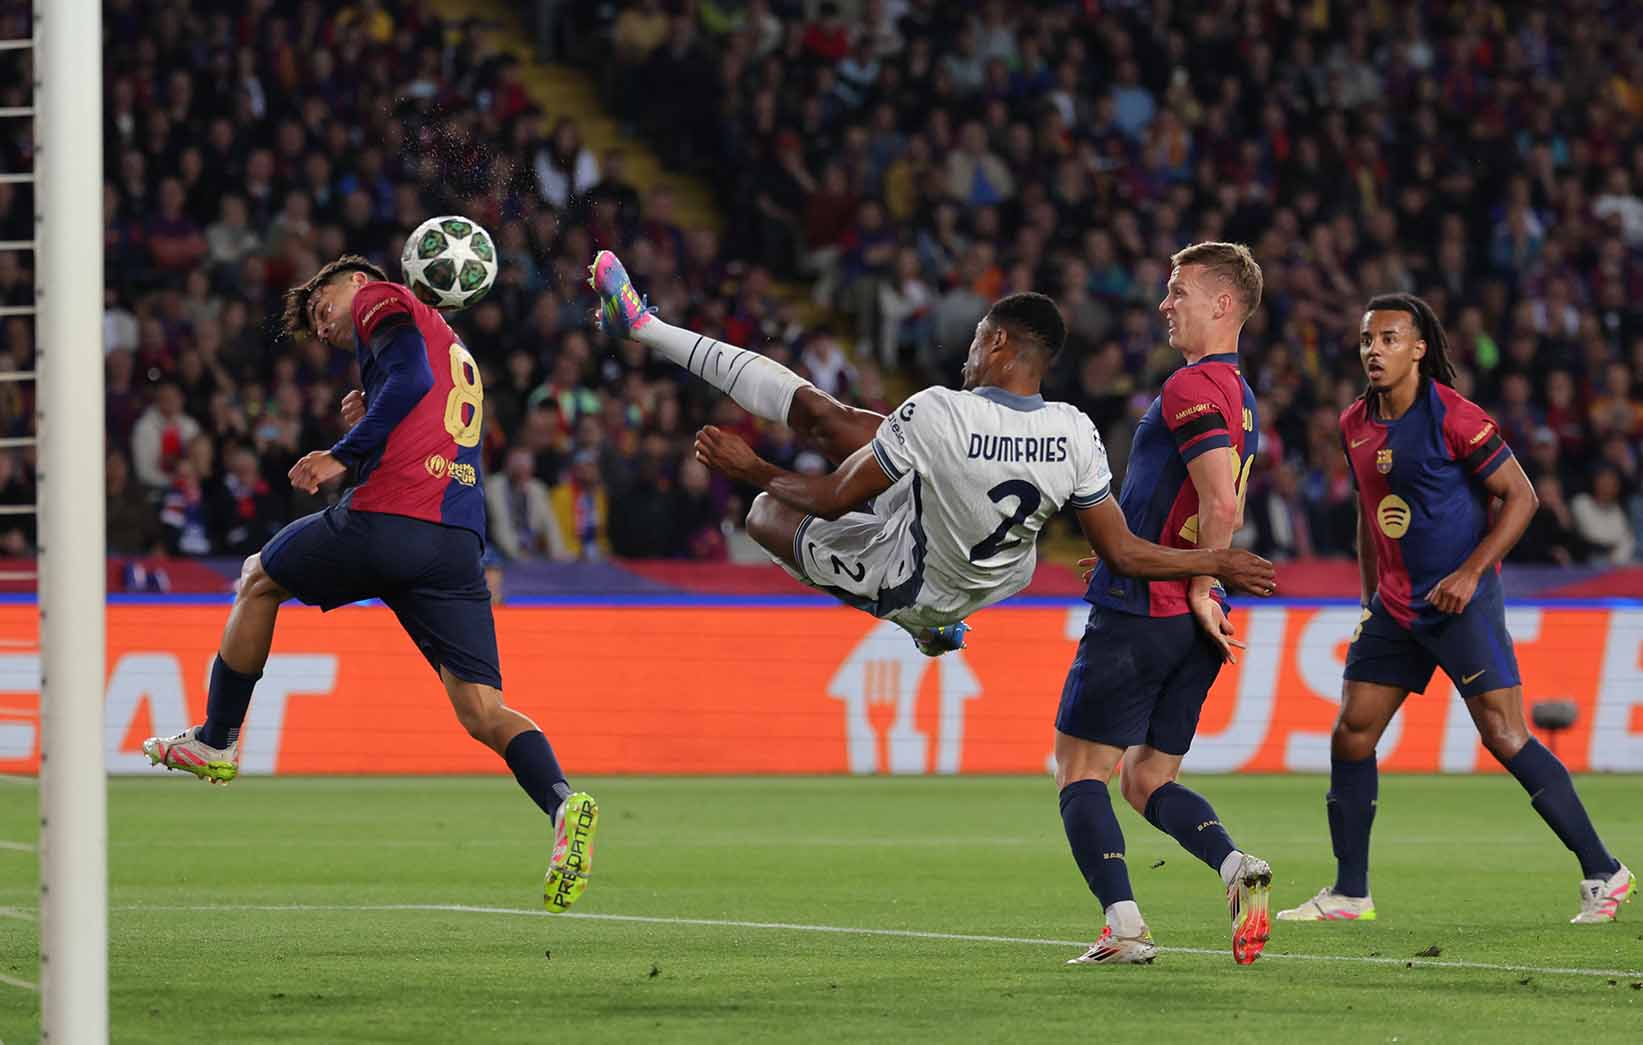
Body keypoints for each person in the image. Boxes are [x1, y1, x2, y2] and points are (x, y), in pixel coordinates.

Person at [141, 255, 599, 914]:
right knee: (482, 709)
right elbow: (423, 401)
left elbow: (410, 378)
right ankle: (562, 804)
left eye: (321, 306)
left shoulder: (379, 295)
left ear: (354, 281)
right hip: (455, 543)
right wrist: (373, 415)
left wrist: (344, 452)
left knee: (258, 577)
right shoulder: (448, 342)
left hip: (392, 519)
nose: (325, 325)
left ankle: (216, 738)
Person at [587, 250, 1274, 659]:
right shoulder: (1074, 429)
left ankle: (926, 625)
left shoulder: (938, 410)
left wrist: (752, 469)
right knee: (830, 418)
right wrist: (1213, 563)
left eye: (976, 339)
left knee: (767, 510)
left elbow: (830, 499)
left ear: (998, 343)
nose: (967, 352)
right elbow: (1122, 551)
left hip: (915, 583)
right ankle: (643, 325)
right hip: (994, 569)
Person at [1277, 293, 1631, 926]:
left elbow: (1521, 498)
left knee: (1504, 734)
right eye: (1367, 340)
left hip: (1459, 602)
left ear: (1418, 349)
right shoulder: (1354, 422)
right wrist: (1369, 596)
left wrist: (1470, 574)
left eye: (1389, 339)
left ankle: (1605, 871)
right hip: (1395, 607)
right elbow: (1368, 511)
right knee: (1352, 732)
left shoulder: (1455, 416)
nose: (1374, 350)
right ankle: (1351, 892)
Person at [1056, 242, 1275, 968]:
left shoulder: (1190, 386)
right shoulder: (1240, 394)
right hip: (1186, 619)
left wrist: (1199, 583)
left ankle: (1123, 926)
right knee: (1147, 778)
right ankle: (1234, 864)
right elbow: (1197, 502)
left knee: (1080, 771)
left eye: (1179, 291)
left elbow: (1220, 504)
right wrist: (1145, 553)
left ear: (1223, 304)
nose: (1165, 304)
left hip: (1147, 610)